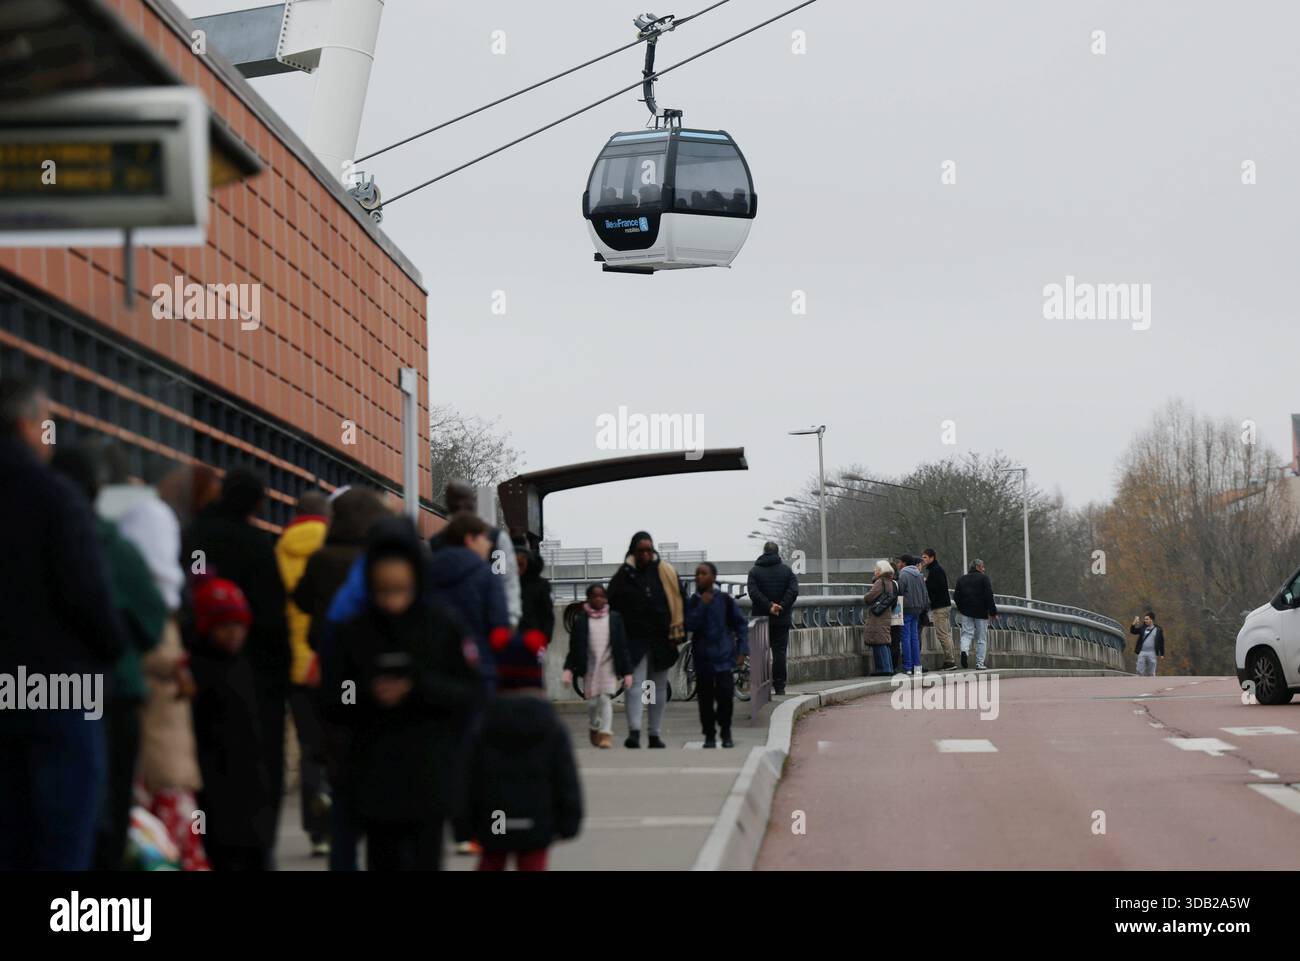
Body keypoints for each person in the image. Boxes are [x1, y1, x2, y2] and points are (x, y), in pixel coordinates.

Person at [0, 377, 126, 870]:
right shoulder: (55, 497)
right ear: (27, 425)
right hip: (63, 687)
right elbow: (88, 596)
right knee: (64, 840)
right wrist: (113, 650)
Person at [322, 516, 482, 870]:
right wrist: (366, 693)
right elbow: (333, 698)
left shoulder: (442, 626)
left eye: (400, 589)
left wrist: (419, 686)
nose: (393, 601)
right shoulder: (354, 632)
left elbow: (469, 694)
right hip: (373, 778)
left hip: (428, 774)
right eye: (383, 591)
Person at [52, 444, 168, 871]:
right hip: (114, 692)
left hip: (36, 693)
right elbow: (150, 619)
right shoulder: (115, 545)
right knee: (108, 810)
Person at [181, 467, 289, 867]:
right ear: (257, 502)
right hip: (256, 676)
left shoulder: (195, 536)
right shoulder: (255, 543)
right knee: (255, 770)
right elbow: (275, 617)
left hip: (199, 668)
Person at [293, 486, 388, 871]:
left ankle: (326, 819)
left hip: (325, 666)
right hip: (369, 670)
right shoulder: (373, 560)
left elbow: (300, 600)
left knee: (322, 748)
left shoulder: (321, 558)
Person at [466, 630, 582, 870]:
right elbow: (565, 776)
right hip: (536, 820)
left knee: (491, 861)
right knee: (532, 864)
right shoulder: (551, 725)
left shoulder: (484, 723)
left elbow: (467, 777)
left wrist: (462, 825)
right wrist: (569, 820)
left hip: (495, 819)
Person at [189, 576, 275, 871]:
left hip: (250, 795)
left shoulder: (243, 668)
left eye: (239, 626)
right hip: (218, 800)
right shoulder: (199, 674)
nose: (234, 634)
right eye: (225, 626)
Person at [275, 490, 332, 858]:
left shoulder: (280, 550)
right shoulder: (337, 548)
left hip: (295, 665)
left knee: (311, 747)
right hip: (334, 664)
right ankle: (337, 811)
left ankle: (317, 832)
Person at [606, 531, 684, 749]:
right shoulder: (623, 576)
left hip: (662, 639)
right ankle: (634, 731)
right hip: (634, 640)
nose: (645, 555)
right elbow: (612, 606)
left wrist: (678, 631)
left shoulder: (665, 573)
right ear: (633, 551)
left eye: (649, 550)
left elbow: (680, 601)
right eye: (641, 551)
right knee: (634, 686)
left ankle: (654, 733)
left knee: (657, 687)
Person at [427, 512, 511, 692]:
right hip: (479, 669)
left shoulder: (426, 573)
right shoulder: (487, 577)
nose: (489, 543)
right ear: (469, 539)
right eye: (484, 538)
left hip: (434, 670)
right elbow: (499, 628)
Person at [429, 480, 521, 630]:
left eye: (466, 502)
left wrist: (509, 620)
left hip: (488, 621)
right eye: (457, 503)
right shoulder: (436, 543)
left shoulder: (495, 539)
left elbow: (508, 581)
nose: (462, 508)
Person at [685, 562, 749, 749]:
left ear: (713, 577)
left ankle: (726, 732)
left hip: (723, 657)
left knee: (725, 698)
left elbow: (741, 625)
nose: (699, 577)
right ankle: (709, 735)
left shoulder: (724, 600)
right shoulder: (693, 602)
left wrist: (742, 650)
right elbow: (689, 625)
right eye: (697, 574)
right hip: (702, 659)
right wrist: (702, 606)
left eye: (703, 574)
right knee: (704, 700)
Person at [563, 584, 633, 748]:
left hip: (608, 666)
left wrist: (628, 672)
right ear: (588, 599)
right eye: (594, 596)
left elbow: (622, 647)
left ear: (606, 599)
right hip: (590, 667)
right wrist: (568, 670)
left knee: (605, 699)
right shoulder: (581, 621)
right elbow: (574, 648)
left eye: (602, 596)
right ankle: (594, 725)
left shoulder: (614, 619)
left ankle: (606, 734)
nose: (598, 599)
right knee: (593, 703)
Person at [746, 541, 799, 695]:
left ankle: (763, 687)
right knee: (779, 653)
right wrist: (780, 606)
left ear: (764, 552)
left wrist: (769, 606)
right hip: (781, 619)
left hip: (761, 618)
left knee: (761, 653)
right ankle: (780, 686)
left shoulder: (754, 572)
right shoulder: (787, 571)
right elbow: (793, 591)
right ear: (777, 553)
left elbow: (753, 593)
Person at [953, 559, 998, 670]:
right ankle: (979, 663)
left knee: (966, 634)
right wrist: (993, 612)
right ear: (978, 567)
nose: (984, 569)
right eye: (983, 567)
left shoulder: (961, 579)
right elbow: (989, 596)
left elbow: (956, 597)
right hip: (981, 612)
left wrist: (961, 608)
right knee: (981, 638)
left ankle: (964, 651)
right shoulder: (984, 579)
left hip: (966, 612)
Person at [920, 548, 956, 670]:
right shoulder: (935, 569)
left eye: (925, 557)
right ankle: (950, 659)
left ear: (932, 557)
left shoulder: (936, 570)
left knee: (942, 634)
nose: (923, 559)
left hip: (940, 607)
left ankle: (950, 661)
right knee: (946, 634)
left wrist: (926, 582)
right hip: (943, 605)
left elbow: (936, 588)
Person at [515, 541, 555, 646]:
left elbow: (547, 614)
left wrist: (544, 638)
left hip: (534, 639)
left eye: (520, 564)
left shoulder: (541, 585)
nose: (517, 568)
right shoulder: (510, 583)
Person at [897, 554, 930, 673]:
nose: (898, 564)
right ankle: (917, 666)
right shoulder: (920, 576)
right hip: (918, 609)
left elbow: (899, 592)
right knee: (914, 637)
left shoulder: (903, 575)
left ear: (904, 563)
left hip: (906, 608)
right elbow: (925, 593)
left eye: (899, 562)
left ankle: (907, 667)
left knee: (905, 637)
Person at [863, 559, 897, 675]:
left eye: (876, 569)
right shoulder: (889, 581)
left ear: (881, 570)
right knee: (884, 641)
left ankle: (883, 669)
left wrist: (865, 597)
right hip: (885, 614)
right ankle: (888, 668)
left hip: (878, 616)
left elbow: (869, 597)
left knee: (879, 642)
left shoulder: (880, 582)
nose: (874, 571)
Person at [1130, 611, 1165, 676]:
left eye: (1147, 619)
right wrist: (1134, 623)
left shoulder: (1158, 630)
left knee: (1151, 673)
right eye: (1145, 619)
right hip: (1142, 652)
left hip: (1152, 653)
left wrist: (1162, 653)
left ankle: (1151, 684)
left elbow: (1161, 642)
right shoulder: (1143, 628)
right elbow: (1133, 631)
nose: (1145, 620)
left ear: (1151, 620)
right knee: (1139, 671)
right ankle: (1139, 684)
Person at [889, 558, 905, 673]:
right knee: (896, 641)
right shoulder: (899, 582)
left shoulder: (893, 584)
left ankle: (893, 666)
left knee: (893, 641)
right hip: (898, 615)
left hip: (893, 616)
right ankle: (895, 665)